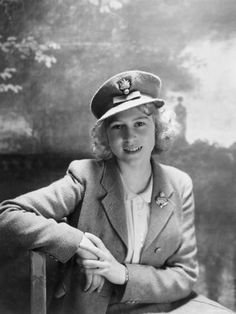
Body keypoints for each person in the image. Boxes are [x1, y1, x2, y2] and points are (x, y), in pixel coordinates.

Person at [0, 70, 234, 314]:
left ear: (158, 128)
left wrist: (121, 273)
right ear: (105, 136)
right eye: (118, 126)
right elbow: (8, 214)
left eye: (140, 124)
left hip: (161, 307)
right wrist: (78, 243)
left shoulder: (178, 183)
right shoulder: (85, 176)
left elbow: (183, 276)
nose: (129, 136)